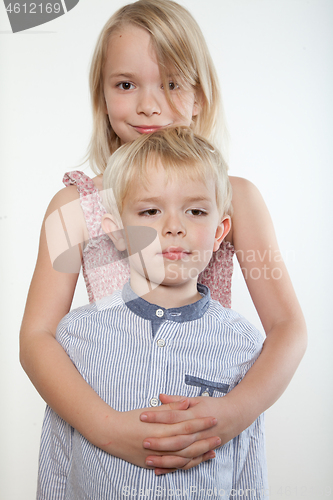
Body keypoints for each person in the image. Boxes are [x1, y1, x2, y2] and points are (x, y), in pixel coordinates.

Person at [20, 0, 307, 475]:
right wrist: (108, 428)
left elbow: (288, 329)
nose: (149, 104)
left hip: (202, 433)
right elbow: (36, 338)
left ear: (199, 96)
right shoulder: (72, 208)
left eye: (171, 83)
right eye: (126, 84)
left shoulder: (237, 199)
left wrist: (232, 414)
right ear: (102, 94)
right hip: (103, 437)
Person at [37, 127, 268, 500]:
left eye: (195, 211)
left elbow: (247, 472)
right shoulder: (75, 336)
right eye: (150, 211)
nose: (173, 226)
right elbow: (58, 462)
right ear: (117, 233)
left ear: (219, 232)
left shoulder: (243, 345)